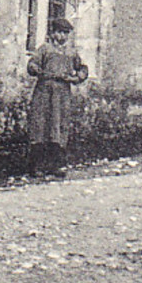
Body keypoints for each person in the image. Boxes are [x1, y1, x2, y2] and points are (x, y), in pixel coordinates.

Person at [27, 19, 89, 173]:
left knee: (59, 126)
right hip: (44, 91)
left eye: (65, 33)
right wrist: (37, 70)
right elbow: (32, 64)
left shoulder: (71, 53)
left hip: (62, 93)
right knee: (40, 125)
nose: (62, 36)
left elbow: (82, 68)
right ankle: (37, 166)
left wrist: (76, 78)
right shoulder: (45, 49)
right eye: (59, 32)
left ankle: (56, 165)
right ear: (52, 33)